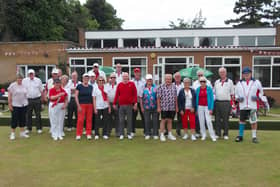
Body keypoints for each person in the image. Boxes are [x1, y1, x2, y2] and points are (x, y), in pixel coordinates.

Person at [235, 67, 264, 143]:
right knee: (241, 121)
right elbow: (236, 94)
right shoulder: (239, 83)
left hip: (252, 105)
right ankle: (240, 136)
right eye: (245, 73)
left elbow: (261, 92)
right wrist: (238, 98)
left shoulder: (256, 82)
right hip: (243, 105)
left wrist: (258, 97)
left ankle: (254, 137)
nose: (246, 75)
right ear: (243, 75)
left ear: (251, 74)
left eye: (248, 73)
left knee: (253, 121)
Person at [113, 72, 137, 140]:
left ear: (128, 77)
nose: (125, 77)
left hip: (129, 105)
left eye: (126, 76)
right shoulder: (119, 85)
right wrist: (114, 103)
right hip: (121, 105)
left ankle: (129, 133)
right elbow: (117, 95)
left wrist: (135, 103)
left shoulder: (132, 84)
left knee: (129, 120)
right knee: (121, 120)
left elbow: (135, 94)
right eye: (124, 76)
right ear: (122, 77)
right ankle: (121, 134)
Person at [214, 67, 234, 140]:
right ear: (219, 73)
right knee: (217, 119)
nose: (222, 73)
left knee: (226, 119)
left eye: (223, 72)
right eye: (220, 72)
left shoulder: (230, 82)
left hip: (226, 103)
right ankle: (218, 134)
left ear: (226, 73)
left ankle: (225, 134)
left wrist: (233, 105)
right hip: (217, 102)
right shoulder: (216, 82)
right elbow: (214, 92)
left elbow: (232, 94)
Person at [22, 69, 44, 134]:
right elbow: (23, 90)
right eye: (30, 74)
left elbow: (41, 91)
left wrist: (42, 101)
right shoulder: (24, 81)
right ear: (28, 74)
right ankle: (29, 128)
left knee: (38, 114)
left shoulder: (38, 80)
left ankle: (39, 128)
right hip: (28, 100)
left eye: (32, 74)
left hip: (37, 99)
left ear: (34, 74)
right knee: (28, 115)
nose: (31, 75)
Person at [8, 73, 29, 140]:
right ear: (16, 79)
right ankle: (12, 134)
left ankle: (22, 133)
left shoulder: (24, 85)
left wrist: (27, 103)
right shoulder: (12, 85)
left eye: (21, 79)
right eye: (18, 79)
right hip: (15, 105)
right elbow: (9, 95)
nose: (20, 80)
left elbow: (26, 95)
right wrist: (10, 104)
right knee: (14, 120)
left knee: (23, 119)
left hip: (23, 105)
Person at [157, 74, 177, 142]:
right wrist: (159, 107)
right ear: (165, 79)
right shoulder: (161, 87)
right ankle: (162, 134)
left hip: (172, 107)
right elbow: (158, 98)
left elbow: (175, 97)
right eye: (167, 79)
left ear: (171, 79)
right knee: (163, 120)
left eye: (170, 79)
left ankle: (169, 134)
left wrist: (176, 107)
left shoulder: (174, 87)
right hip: (164, 107)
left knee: (170, 121)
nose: (168, 80)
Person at [192, 69, 212, 138]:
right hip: (198, 104)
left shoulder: (208, 82)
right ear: (197, 76)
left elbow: (211, 95)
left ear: (203, 75)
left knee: (208, 120)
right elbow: (194, 94)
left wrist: (211, 106)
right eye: (199, 75)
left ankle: (209, 133)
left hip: (206, 105)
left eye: (201, 75)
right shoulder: (194, 83)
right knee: (198, 119)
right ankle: (198, 132)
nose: (200, 76)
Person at [196, 76, 216, 142]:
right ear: (199, 82)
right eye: (201, 81)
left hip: (207, 107)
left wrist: (211, 108)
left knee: (209, 121)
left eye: (204, 81)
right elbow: (196, 99)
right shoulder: (198, 89)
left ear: (206, 82)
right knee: (201, 121)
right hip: (199, 106)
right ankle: (203, 135)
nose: (202, 83)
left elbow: (212, 99)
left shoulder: (209, 89)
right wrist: (196, 108)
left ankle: (212, 135)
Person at [75, 73, 93, 140]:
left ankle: (88, 133)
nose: (86, 79)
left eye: (87, 78)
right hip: (81, 105)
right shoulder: (79, 86)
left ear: (88, 79)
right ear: (82, 79)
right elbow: (76, 96)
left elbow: (93, 96)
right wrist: (78, 105)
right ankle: (78, 134)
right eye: (85, 78)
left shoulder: (91, 87)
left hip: (90, 105)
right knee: (80, 120)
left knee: (89, 119)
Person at [140, 74, 158, 140]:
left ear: (152, 80)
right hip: (146, 107)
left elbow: (158, 98)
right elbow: (141, 98)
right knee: (147, 121)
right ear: (146, 80)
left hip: (155, 107)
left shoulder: (156, 87)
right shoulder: (142, 87)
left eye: (150, 79)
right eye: (148, 80)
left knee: (155, 121)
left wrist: (159, 107)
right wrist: (141, 107)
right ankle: (147, 133)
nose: (149, 81)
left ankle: (155, 134)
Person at [131, 68, 145, 136]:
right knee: (133, 117)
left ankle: (145, 131)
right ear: (134, 73)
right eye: (135, 72)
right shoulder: (131, 81)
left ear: (140, 73)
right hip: (134, 101)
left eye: (138, 72)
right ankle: (132, 131)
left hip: (142, 101)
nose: (137, 74)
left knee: (144, 116)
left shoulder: (144, 81)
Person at [173, 72, 184, 136]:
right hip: (172, 103)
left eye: (179, 77)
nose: (177, 78)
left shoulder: (183, 85)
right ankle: (167, 131)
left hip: (180, 103)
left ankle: (178, 130)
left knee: (180, 118)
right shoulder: (171, 85)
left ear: (180, 78)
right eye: (176, 77)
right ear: (174, 78)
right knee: (170, 118)